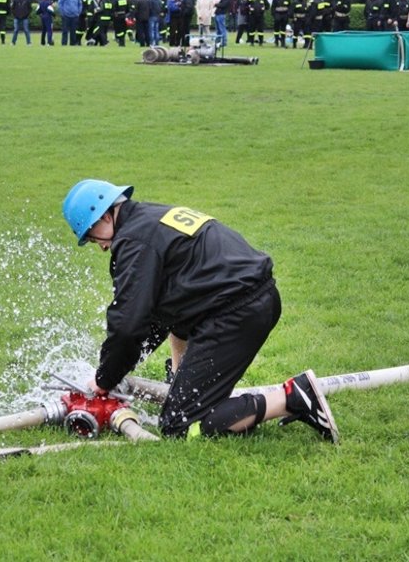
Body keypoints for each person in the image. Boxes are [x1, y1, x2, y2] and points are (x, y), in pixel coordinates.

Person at [61, 180, 340, 443]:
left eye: (92, 236)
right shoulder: (149, 217)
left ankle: (293, 396)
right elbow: (157, 315)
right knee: (171, 320)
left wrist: (104, 379)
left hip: (235, 313)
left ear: (105, 217)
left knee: (178, 425)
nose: (101, 247)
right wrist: (120, 370)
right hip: (247, 300)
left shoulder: (134, 242)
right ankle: (180, 381)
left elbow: (128, 324)